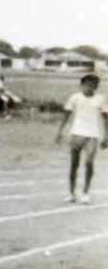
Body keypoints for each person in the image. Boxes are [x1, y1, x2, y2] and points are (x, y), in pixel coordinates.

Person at [56, 74, 108, 204]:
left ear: (96, 87)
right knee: (74, 164)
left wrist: (106, 136)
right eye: (88, 85)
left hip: (92, 135)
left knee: (89, 162)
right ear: (82, 85)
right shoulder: (75, 98)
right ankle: (71, 193)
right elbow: (66, 115)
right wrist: (60, 132)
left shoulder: (100, 99)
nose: (90, 88)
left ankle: (85, 192)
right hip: (76, 134)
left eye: (94, 85)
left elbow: (106, 119)